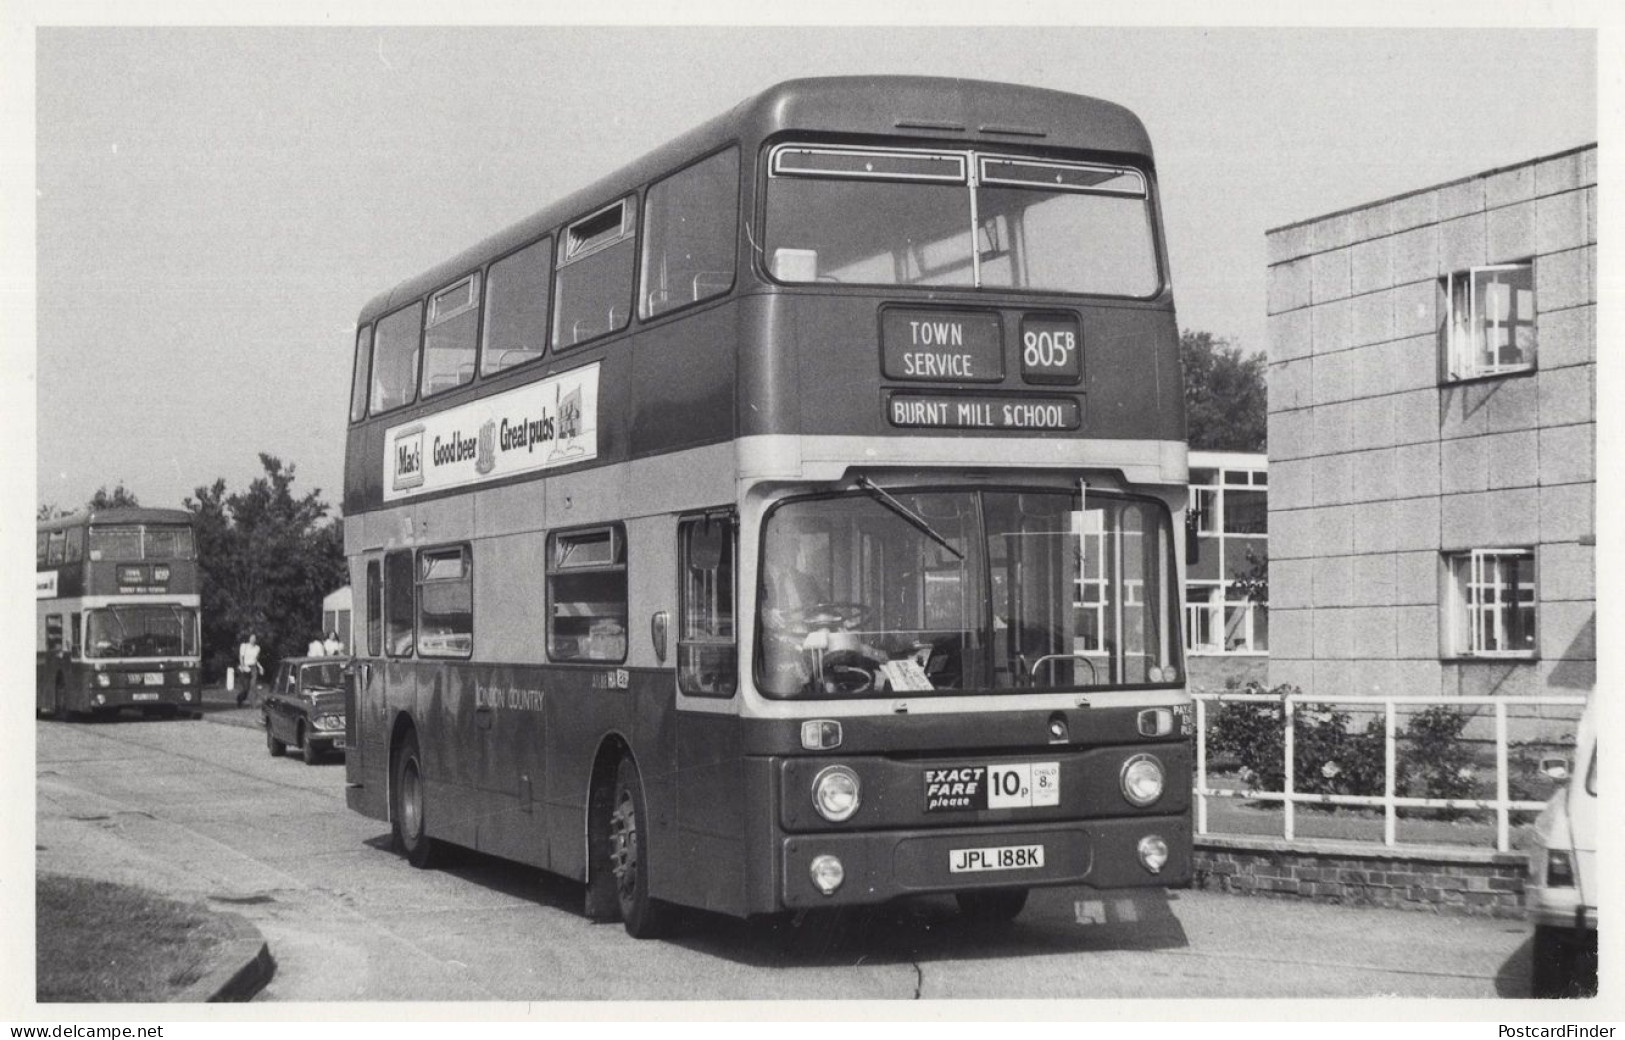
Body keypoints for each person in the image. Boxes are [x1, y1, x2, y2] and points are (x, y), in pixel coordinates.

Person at [235, 633, 263, 706]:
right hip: (245, 666)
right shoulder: (244, 646)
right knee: (246, 689)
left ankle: (253, 703)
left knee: (253, 685)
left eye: (254, 639)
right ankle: (239, 698)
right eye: (251, 638)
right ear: (249, 639)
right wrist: (243, 666)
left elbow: (256, 659)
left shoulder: (257, 648)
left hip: (253, 667)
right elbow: (241, 657)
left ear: (256, 640)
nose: (253, 640)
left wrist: (260, 667)